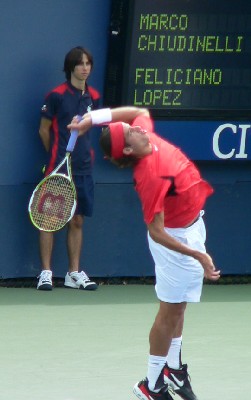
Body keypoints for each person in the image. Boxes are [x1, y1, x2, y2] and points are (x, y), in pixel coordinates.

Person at [68, 106, 221, 400]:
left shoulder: (142, 134)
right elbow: (156, 231)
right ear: (127, 148)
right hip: (175, 242)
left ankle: (173, 369)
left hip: (193, 225)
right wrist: (198, 255)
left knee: (180, 306)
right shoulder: (150, 175)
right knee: (169, 311)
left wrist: (91, 119)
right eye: (128, 131)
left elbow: (137, 110)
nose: (134, 126)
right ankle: (151, 386)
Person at [37, 46, 100, 291]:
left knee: (77, 220)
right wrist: (56, 154)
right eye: (80, 64)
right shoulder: (56, 96)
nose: (85, 68)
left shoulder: (94, 96)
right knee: (49, 219)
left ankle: (73, 274)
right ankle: (45, 273)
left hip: (83, 168)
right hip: (58, 168)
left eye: (88, 63)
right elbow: (44, 130)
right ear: (71, 67)